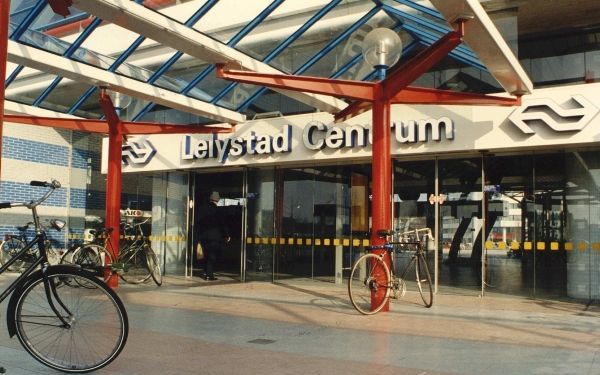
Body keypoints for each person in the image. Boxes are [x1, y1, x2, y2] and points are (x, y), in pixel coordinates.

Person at [198, 191, 230, 281]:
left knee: (205, 254)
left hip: (203, 236)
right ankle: (209, 275)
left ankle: (206, 272)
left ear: (210, 199)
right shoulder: (218, 210)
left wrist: (199, 235)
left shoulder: (202, 209)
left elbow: (198, 222)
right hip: (214, 237)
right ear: (218, 200)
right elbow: (222, 224)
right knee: (212, 256)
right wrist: (227, 234)